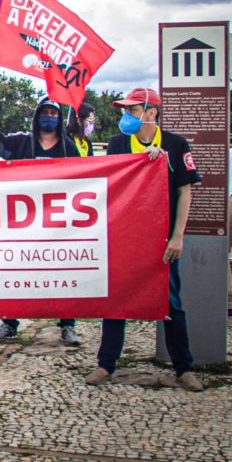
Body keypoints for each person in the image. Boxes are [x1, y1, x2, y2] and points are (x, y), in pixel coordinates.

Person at [86, 88, 204, 391]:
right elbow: (109, 183)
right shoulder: (118, 144)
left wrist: (178, 235)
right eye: (125, 111)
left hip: (162, 238)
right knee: (118, 301)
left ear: (152, 112)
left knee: (170, 301)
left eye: (133, 110)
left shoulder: (176, 144)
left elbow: (185, 191)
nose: (126, 117)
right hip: (126, 236)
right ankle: (106, 364)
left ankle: (183, 368)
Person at [0, 94, 82, 345]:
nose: (49, 117)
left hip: (59, 224)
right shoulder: (22, 142)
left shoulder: (69, 147)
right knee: (15, 271)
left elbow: (88, 179)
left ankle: (68, 325)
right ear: (37, 117)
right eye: (45, 113)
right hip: (24, 222)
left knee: (63, 272)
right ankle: (10, 322)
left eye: (54, 114)